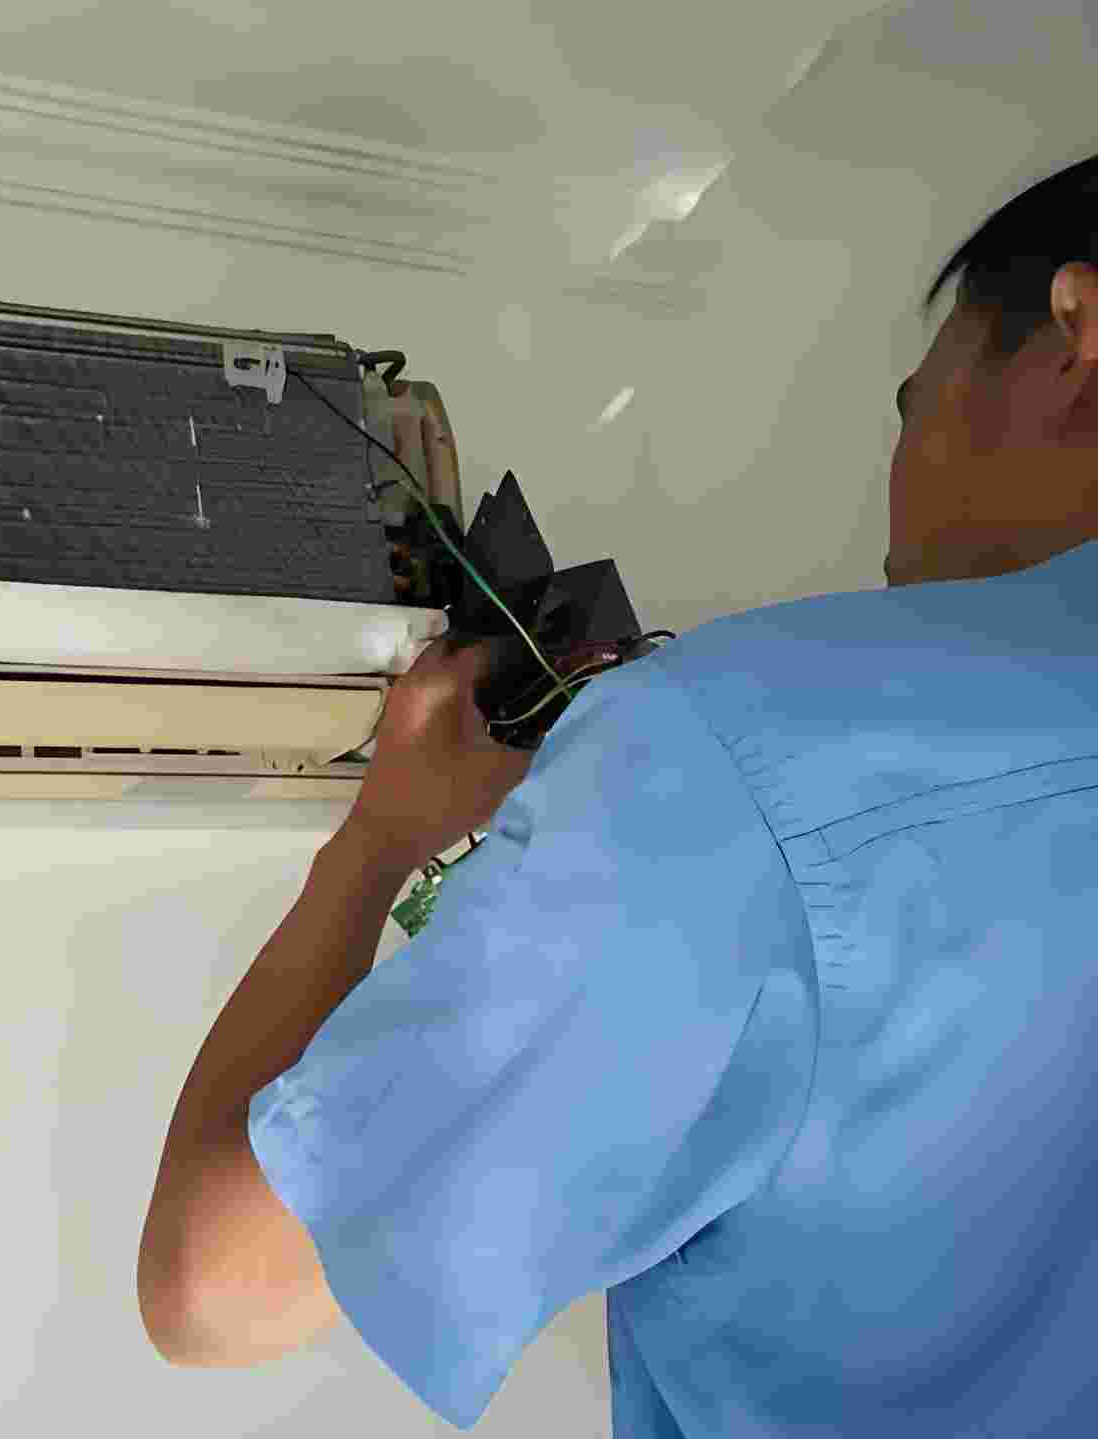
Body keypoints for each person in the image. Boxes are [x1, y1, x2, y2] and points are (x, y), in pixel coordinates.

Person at [138, 152, 1098, 1436]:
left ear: (1078, 335)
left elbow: (214, 1285)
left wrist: (375, 843)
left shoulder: (743, 758)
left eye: (918, 403)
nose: (905, 464)